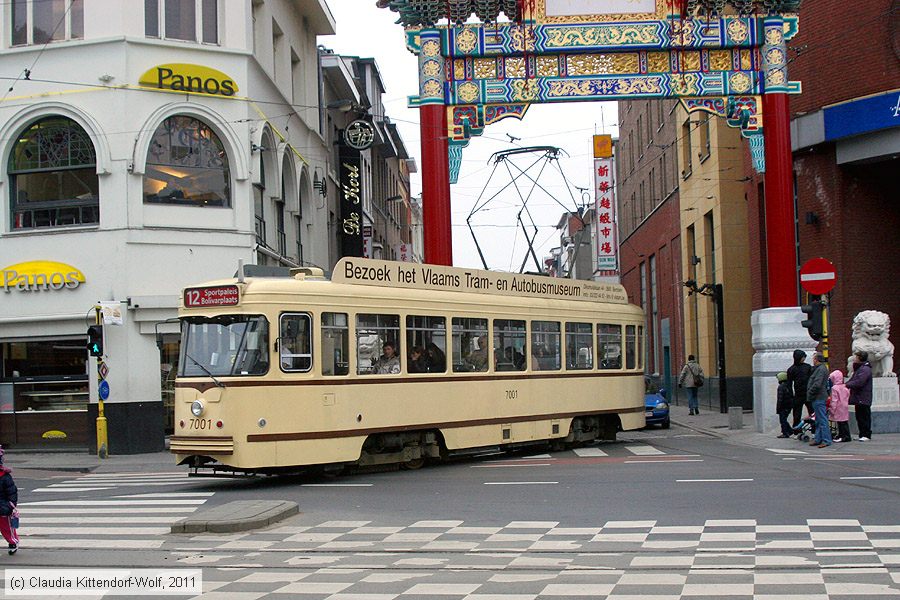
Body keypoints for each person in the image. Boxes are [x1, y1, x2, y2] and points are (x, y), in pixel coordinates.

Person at [846, 350, 874, 441]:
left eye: (856, 357)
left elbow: (859, 382)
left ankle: (866, 434)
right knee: (859, 416)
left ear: (860, 358)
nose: (854, 359)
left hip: (863, 397)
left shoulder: (865, 369)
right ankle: (862, 434)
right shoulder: (860, 368)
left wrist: (847, 384)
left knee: (864, 416)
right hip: (859, 397)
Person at [806, 352, 832, 448]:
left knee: (822, 419)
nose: (813, 361)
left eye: (814, 359)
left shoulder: (820, 369)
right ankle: (818, 438)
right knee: (818, 419)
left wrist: (810, 392)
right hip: (817, 397)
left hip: (819, 397)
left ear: (816, 360)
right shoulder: (820, 368)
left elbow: (817, 384)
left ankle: (826, 440)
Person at [787, 349, 813, 431]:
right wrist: (791, 395)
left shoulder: (807, 367)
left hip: (806, 393)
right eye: (802, 357)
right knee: (797, 413)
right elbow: (789, 384)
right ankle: (796, 429)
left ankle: (814, 428)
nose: (803, 359)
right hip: (800, 394)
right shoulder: (792, 369)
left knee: (811, 412)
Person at [0, 446, 19, 555]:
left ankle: (13, 542)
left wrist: (11, 505)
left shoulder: (5, 477)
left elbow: (12, 492)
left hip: (3, 507)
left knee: (6, 528)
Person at [829, 369, 852, 443]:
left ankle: (842, 436)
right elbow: (848, 395)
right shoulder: (845, 387)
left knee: (840, 423)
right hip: (844, 406)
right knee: (844, 422)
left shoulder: (834, 388)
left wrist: (832, 409)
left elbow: (834, 400)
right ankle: (846, 435)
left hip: (838, 407)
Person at [775, 371, 794, 438]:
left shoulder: (781, 387)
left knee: (782, 420)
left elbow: (780, 398)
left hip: (783, 406)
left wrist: (778, 408)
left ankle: (785, 433)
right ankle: (790, 430)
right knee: (784, 419)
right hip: (788, 406)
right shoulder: (788, 386)